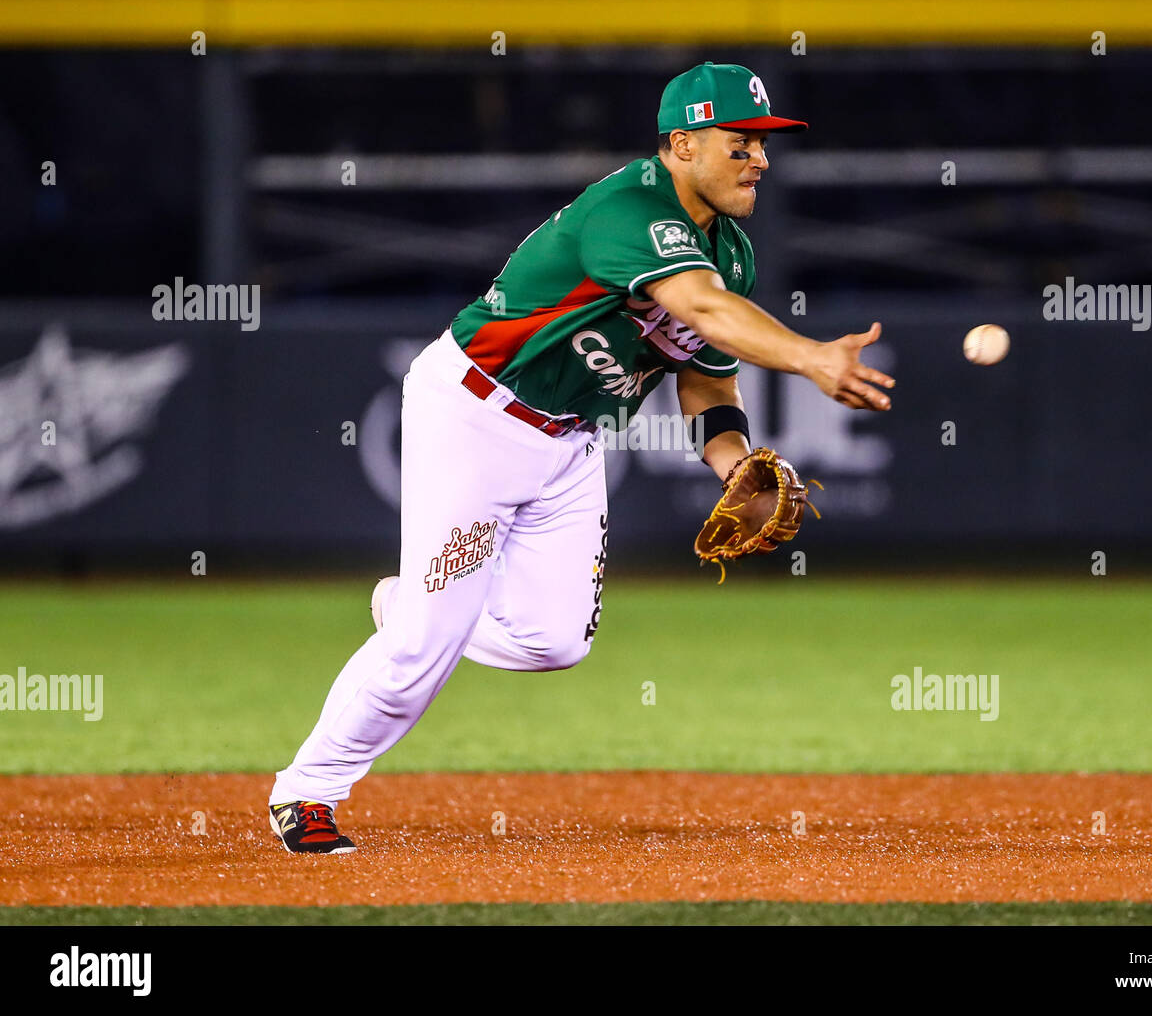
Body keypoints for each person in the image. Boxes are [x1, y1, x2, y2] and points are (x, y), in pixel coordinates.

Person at [267, 61, 894, 853]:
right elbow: (700, 307)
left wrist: (732, 465)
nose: (760, 159)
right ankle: (308, 790)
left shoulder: (730, 251)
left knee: (555, 640)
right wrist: (811, 357)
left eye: (765, 143)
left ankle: (419, 606)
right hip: (478, 411)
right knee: (425, 644)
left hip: (571, 439)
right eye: (741, 143)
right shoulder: (628, 210)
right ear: (682, 143)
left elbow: (704, 379)